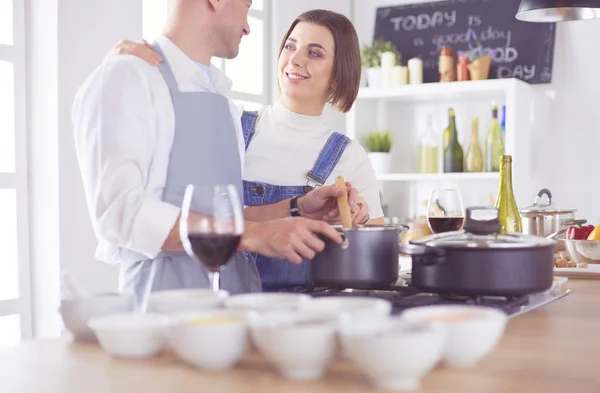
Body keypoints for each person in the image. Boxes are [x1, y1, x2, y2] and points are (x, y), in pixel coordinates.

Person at [71, 0, 367, 306]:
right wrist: (253, 236)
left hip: (232, 315)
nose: (249, 26)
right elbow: (119, 216)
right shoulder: (128, 76)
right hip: (161, 318)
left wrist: (297, 208)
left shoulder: (224, 106)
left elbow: (223, 218)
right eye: (247, 5)